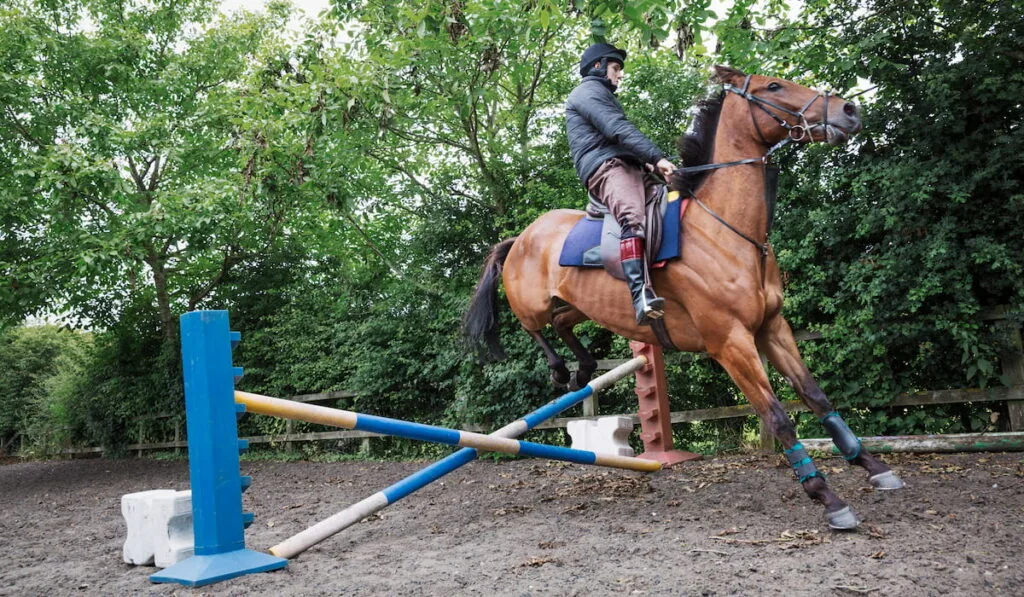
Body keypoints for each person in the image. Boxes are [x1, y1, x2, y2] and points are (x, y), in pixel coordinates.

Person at [565, 42, 677, 325]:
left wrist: (650, 164)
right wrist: (657, 157)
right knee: (633, 216)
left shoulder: (600, 94)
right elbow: (617, 130)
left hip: (624, 163)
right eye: (616, 68)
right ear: (598, 67)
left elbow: (619, 139)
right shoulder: (586, 92)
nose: (620, 75)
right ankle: (640, 295)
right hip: (606, 168)